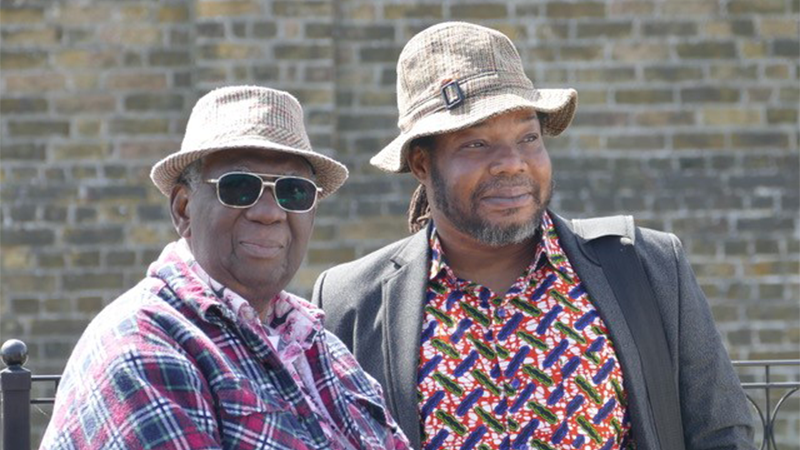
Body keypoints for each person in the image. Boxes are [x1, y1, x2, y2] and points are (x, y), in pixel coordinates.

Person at [312, 22, 754, 450]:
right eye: (476, 144)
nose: (512, 163)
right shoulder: (351, 302)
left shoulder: (644, 266)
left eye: (528, 137)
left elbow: (721, 434)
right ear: (422, 165)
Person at [40, 86, 410, 450]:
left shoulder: (318, 343)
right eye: (239, 188)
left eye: (294, 192)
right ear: (184, 209)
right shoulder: (141, 345)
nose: (269, 212)